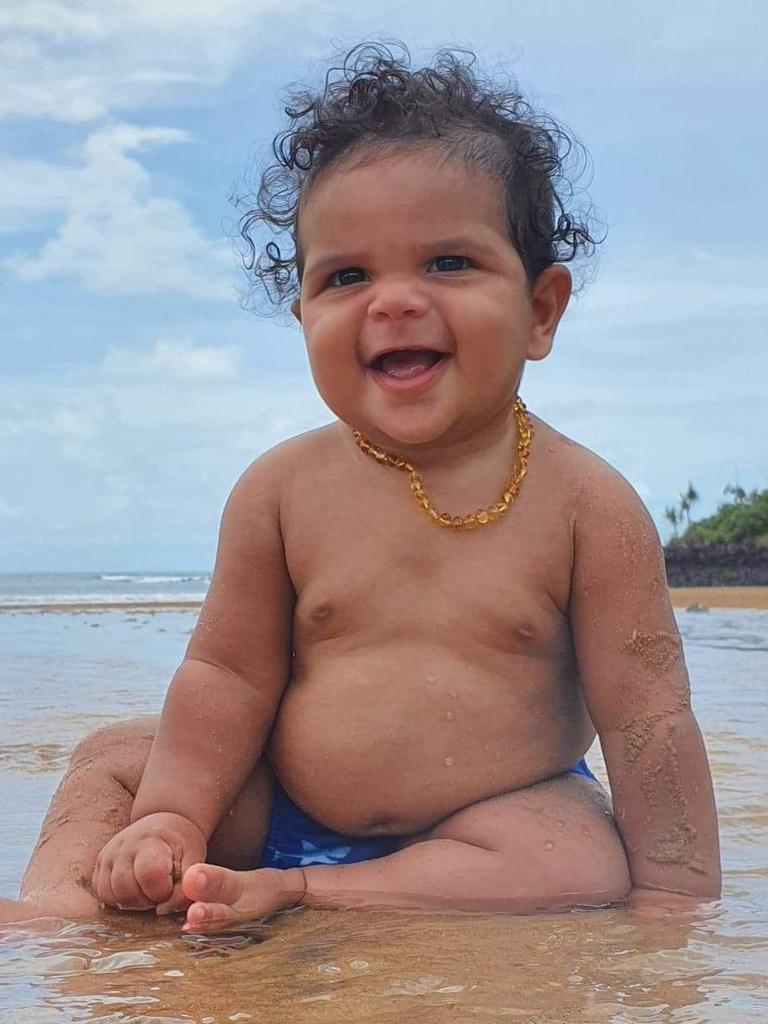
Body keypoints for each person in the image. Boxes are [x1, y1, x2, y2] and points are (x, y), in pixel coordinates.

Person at [1, 43, 720, 931]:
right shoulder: (280, 490)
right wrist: (175, 812)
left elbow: (648, 721)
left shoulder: (588, 506)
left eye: (449, 263)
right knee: (114, 758)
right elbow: (226, 675)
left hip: (486, 828)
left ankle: (308, 895)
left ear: (541, 310)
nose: (394, 301)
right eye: (347, 276)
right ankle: (61, 910)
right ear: (303, 315)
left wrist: (675, 902)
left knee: (576, 855)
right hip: (281, 808)